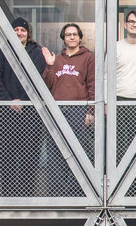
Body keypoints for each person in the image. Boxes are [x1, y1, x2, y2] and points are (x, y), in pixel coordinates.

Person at [0, 17, 47, 197]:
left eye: (22, 30)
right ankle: (9, 194)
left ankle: (27, 194)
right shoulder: (1, 53)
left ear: (28, 34)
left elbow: (37, 80)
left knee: (29, 154)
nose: (19, 33)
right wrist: (10, 100)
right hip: (5, 115)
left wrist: (23, 100)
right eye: (16, 30)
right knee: (7, 154)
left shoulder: (36, 53)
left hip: (30, 114)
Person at [41, 23, 96, 196]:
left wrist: (91, 111)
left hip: (78, 111)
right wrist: (50, 66)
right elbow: (47, 85)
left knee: (78, 152)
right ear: (63, 39)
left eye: (74, 34)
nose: (71, 37)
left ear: (80, 37)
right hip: (58, 111)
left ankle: (75, 192)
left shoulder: (89, 58)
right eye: (68, 35)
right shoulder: (56, 59)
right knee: (56, 153)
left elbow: (93, 85)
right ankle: (57, 194)